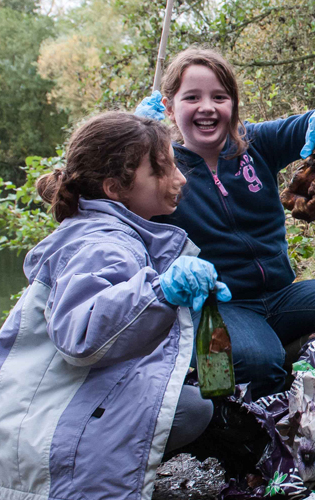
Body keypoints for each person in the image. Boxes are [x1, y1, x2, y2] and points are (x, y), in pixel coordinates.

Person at [0, 112, 227, 499]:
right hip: (47, 444)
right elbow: (82, 333)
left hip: (31, 410)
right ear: (114, 187)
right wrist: (161, 292)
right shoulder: (104, 244)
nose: (181, 179)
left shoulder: (104, 229)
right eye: (162, 169)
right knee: (193, 408)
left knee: (191, 401)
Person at [144, 48, 315, 398]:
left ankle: (314, 369)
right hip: (219, 305)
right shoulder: (160, 168)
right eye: (192, 98)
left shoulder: (255, 144)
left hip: (283, 293)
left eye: (219, 97)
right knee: (259, 361)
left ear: (233, 103)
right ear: (169, 107)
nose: (207, 107)